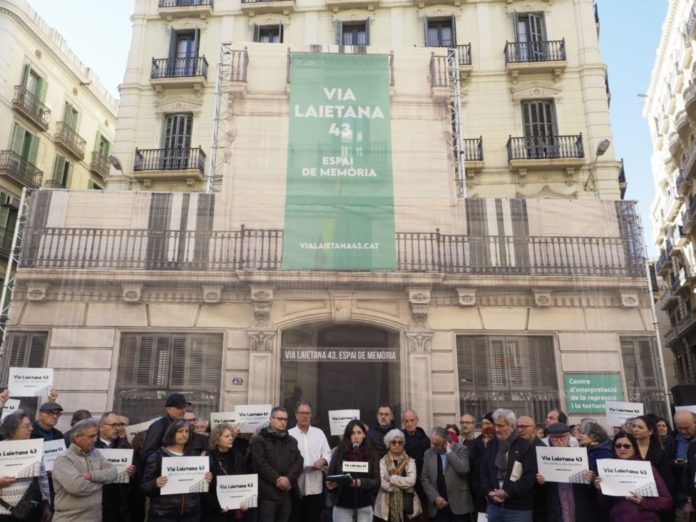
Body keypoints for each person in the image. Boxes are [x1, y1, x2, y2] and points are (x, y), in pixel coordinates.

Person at [141, 419, 213, 522]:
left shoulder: (194, 457)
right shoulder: (157, 457)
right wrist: (155, 483)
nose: (184, 434)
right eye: (180, 431)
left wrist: (207, 480)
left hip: (191, 514)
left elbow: (202, 487)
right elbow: (144, 487)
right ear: (171, 433)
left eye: (187, 431)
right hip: (164, 514)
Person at [594, 431, 672, 521]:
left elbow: (666, 501)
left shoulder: (646, 468)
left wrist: (643, 502)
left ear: (634, 448)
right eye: (618, 446)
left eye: (626, 446)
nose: (622, 449)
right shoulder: (608, 469)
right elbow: (605, 504)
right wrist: (601, 489)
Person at [52, 419, 118, 522]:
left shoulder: (97, 454)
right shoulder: (64, 460)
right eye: (91, 436)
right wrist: (102, 482)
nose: (95, 439)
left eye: (96, 435)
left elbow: (114, 473)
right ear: (77, 438)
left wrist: (91, 476)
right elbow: (77, 487)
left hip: (95, 518)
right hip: (70, 519)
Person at [480, 408, 536, 522]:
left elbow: (529, 476)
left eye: (500, 426)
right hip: (494, 506)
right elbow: (484, 472)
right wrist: (489, 492)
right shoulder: (492, 444)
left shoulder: (524, 446)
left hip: (518, 509)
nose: (496, 429)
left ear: (511, 426)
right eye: (495, 425)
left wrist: (507, 493)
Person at [535, 423, 597, 522]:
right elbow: (539, 495)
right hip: (557, 513)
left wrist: (592, 478)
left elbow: (592, 490)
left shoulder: (581, 455)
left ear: (569, 438)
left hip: (579, 512)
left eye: (562, 437)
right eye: (555, 437)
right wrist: (541, 483)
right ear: (550, 439)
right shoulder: (543, 458)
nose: (559, 440)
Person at [251, 406, 303, 522]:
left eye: (285, 419)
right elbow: (260, 464)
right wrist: (278, 479)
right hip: (267, 495)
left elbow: (299, 461)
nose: (283, 422)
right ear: (271, 419)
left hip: (286, 494)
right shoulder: (259, 440)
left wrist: (288, 479)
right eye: (280, 419)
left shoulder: (292, 441)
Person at [0, 411, 52, 522]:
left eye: (31, 425)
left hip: (29, 510)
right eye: (26, 426)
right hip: (2, 511)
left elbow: (43, 479)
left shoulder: (36, 449)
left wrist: (47, 505)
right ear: (12, 430)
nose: (31, 429)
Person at [326, 419, 380, 522]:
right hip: (342, 504)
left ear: (364, 435)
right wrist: (331, 486)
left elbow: (376, 482)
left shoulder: (372, 454)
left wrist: (361, 482)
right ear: (348, 436)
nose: (356, 436)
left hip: (364, 505)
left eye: (359, 433)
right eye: (352, 433)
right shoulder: (339, 453)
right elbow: (330, 476)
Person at [288, 401, 332, 522]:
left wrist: (323, 460)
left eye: (308, 413)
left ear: (311, 415)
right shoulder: (289, 434)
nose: (305, 416)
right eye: (302, 413)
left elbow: (328, 453)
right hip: (296, 486)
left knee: (314, 517)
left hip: (315, 485)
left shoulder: (319, 433)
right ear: (296, 415)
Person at [421, 426, 473, 522]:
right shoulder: (428, 453)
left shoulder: (461, 449)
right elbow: (424, 479)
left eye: (437, 444)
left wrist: (449, 452)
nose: (434, 447)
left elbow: (464, 469)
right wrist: (435, 497)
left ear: (446, 442)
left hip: (459, 506)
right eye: (432, 444)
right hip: (438, 507)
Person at [374, 429, 423, 521]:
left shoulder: (410, 461)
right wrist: (403, 486)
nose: (397, 444)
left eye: (400, 442)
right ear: (388, 444)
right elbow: (383, 484)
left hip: (407, 507)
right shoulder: (382, 461)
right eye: (394, 442)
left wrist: (391, 479)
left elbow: (412, 481)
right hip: (386, 507)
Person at [97, 412, 136, 522]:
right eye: (113, 425)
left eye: (119, 425)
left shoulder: (125, 446)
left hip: (118, 503)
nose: (118, 428)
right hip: (95, 501)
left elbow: (137, 477)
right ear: (101, 427)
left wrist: (132, 473)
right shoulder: (92, 445)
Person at [205, 423, 248, 521]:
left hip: (237, 511)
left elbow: (244, 480)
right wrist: (219, 506)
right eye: (226, 436)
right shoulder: (209, 458)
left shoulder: (238, 456)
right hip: (217, 513)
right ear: (217, 439)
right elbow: (206, 490)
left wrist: (246, 501)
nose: (231, 438)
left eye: (232, 436)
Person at [663, 410, 696, 519]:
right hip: (680, 494)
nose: (683, 431)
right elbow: (665, 463)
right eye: (679, 428)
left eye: (687, 428)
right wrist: (674, 463)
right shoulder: (671, 440)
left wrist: (692, 464)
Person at [141, 393, 189, 463]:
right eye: (179, 408)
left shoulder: (186, 425)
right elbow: (147, 455)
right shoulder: (158, 426)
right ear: (168, 409)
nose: (183, 411)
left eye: (184, 407)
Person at [402, 409, 430, 522]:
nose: (409, 424)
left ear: (417, 421)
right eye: (406, 421)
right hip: (403, 483)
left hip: (420, 484)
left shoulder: (425, 439)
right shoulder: (399, 438)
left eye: (412, 420)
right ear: (403, 422)